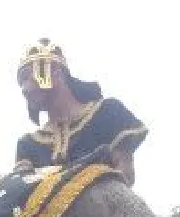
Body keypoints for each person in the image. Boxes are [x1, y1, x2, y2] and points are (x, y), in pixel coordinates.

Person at [14, 38, 148, 186]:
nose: (24, 90)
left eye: (27, 77)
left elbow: (125, 178)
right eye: (21, 83)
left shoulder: (108, 113)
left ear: (55, 72)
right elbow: (22, 198)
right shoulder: (28, 145)